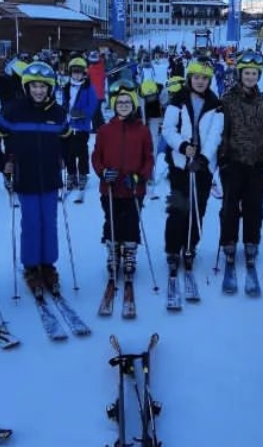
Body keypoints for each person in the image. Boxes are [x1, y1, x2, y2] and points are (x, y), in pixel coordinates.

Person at [0, 61, 70, 296]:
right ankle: (31, 267)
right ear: (26, 87)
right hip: (25, 178)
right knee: (32, 223)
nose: (38, 91)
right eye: (34, 86)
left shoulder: (58, 113)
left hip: (50, 178)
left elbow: (68, 138)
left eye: (43, 87)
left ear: (50, 88)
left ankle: (48, 265)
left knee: (49, 223)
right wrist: (2, 163)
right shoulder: (14, 111)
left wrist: (64, 157)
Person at [217, 51, 263, 292]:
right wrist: (222, 157)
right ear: (240, 74)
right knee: (230, 206)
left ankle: (251, 242)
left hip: (256, 162)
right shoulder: (228, 100)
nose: (250, 77)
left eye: (254, 73)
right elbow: (222, 129)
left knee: (254, 206)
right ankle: (229, 242)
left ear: (258, 76)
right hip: (233, 161)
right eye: (247, 73)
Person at [161, 58, 224, 281]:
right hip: (180, 164)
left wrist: (204, 158)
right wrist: (182, 146)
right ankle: (172, 249)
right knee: (178, 207)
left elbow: (216, 134)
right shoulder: (177, 100)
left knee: (198, 208)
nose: (200, 81)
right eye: (196, 77)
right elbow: (168, 129)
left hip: (203, 166)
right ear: (190, 78)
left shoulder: (215, 104)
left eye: (205, 78)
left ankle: (190, 247)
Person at [91, 80, 154, 289]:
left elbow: (148, 158)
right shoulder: (105, 130)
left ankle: (129, 253)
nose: (124, 105)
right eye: (120, 102)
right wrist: (103, 172)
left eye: (127, 102)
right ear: (114, 105)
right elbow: (96, 157)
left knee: (131, 221)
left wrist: (139, 177)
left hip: (133, 188)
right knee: (112, 220)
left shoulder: (142, 130)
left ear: (133, 104)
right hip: (110, 188)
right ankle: (113, 252)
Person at [59, 55, 103, 195]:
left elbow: (93, 104)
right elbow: (64, 102)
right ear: (70, 72)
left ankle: (83, 174)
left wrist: (82, 114)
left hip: (82, 126)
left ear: (84, 73)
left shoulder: (88, 87)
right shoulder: (67, 87)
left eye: (79, 72)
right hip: (68, 126)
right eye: (74, 72)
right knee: (69, 152)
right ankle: (71, 174)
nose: (76, 75)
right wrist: (64, 110)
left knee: (82, 151)